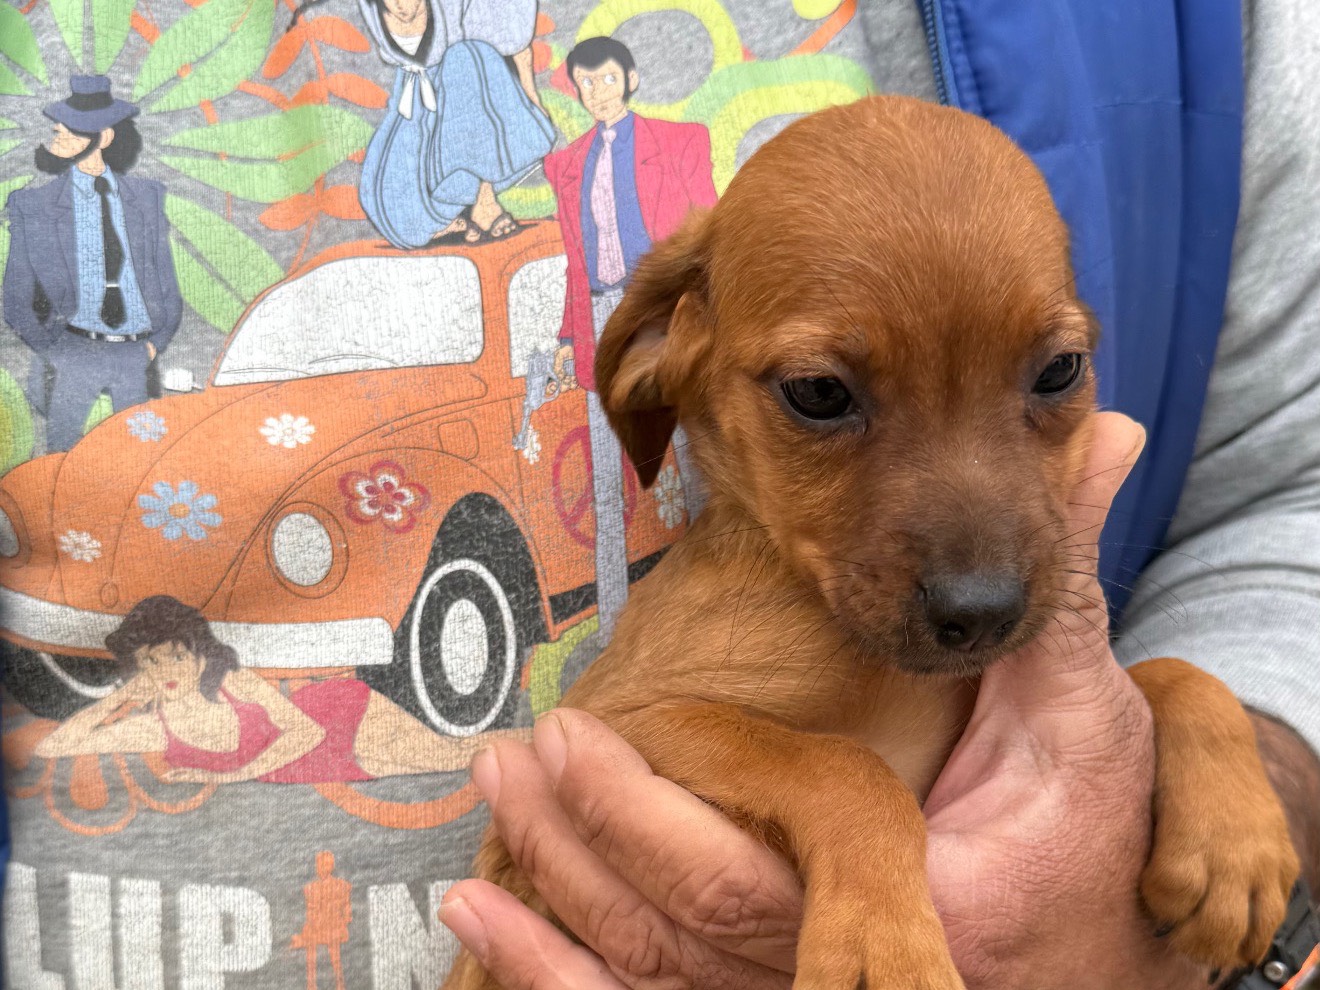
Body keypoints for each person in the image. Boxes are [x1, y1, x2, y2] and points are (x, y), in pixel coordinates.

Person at [435, 4, 1320, 990]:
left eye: (1053, 375)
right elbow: (616, 736)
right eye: (822, 397)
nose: (976, 585)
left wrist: (1206, 723)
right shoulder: (737, 613)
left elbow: (1283, 495)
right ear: (665, 356)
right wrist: (845, 814)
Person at [545, 36, 717, 637]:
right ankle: (614, 612)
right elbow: (573, 254)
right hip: (599, 309)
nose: (598, 92)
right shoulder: (566, 164)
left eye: (607, 78)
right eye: (586, 83)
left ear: (631, 78)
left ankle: (711, 597)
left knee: (696, 445)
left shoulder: (679, 141)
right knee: (607, 463)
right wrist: (572, 339)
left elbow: (709, 225)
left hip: (672, 302)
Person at [34, 595, 519, 781]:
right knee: (453, 756)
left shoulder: (233, 685)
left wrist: (228, 777)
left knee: (449, 756)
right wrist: (120, 697)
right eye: (151, 662)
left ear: (199, 654)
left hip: (335, 719)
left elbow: (305, 733)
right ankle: (551, 740)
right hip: (323, 767)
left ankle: (558, 738)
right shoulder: (155, 730)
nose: (168, 671)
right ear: (139, 668)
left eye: (177, 655)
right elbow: (56, 745)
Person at [2, 75, 181, 453]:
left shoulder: (146, 197)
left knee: (139, 458)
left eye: (71, 128)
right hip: (73, 350)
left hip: (134, 352)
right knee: (63, 459)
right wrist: (53, 350)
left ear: (104, 136)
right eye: (58, 125)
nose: (58, 133)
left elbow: (163, 276)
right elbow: (15, 296)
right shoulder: (34, 205)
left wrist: (155, 344)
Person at [351, 0, 555, 248]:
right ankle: (445, 220)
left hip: (460, 101)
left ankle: (485, 198)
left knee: (467, 56)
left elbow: (515, 44)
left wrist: (533, 99)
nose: (399, 5)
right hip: (413, 103)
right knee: (385, 195)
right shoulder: (371, 9)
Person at [291, 851, 353, 990]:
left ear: (330, 866)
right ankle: (312, 985)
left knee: (332, 952)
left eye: (324, 865)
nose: (320, 868)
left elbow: (347, 910)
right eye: (319, 865)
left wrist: (343, 919)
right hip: (319, 927)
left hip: (332, 927)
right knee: (311, 946)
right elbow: (311, 912)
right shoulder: (311, 888)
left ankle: (338, 984)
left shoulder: (340, 885)